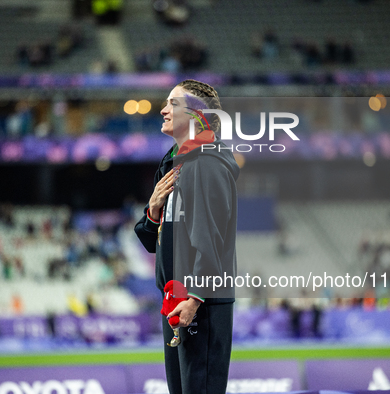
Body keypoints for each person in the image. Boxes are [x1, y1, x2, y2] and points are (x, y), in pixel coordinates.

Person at [134, 79, 239, 394]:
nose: (163, 110)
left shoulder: (205, 162)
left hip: (199, 303)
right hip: (176, 302)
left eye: (173, 104)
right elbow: (152, 242)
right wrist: (153, 211)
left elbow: (213, 240)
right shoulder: (175, 165)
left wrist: (194, 298)